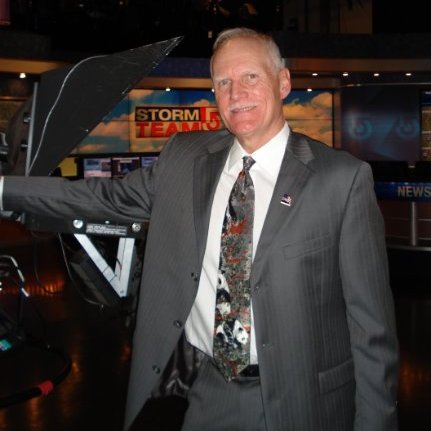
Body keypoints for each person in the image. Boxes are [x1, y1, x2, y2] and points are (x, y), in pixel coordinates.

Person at [0, 27, 399, 430]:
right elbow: (103, 197)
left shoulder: (341, 180)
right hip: (212, 391)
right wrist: (4, 190)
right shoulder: (185, 158)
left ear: (283, 83)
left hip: (308, 401)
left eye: (250, 77)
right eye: (223, 82)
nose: (236, 94)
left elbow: (372, 330)